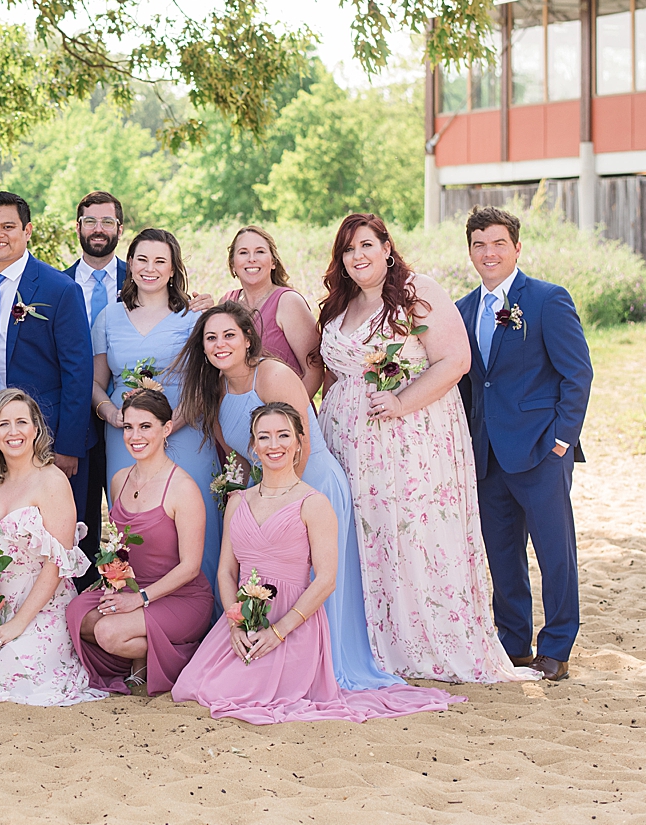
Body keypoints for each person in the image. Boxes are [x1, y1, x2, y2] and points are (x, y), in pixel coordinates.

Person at [316, 213, 532, 684]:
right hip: (345, 440)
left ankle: (420, 640)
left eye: (367, 245)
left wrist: (399, 401)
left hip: (410, 439)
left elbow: (455, 360)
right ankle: (365, 639)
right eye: (349, 249)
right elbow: (332, 373)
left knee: (410, 535)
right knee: (361, 536)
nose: (358, 256)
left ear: (387, 248)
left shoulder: (417, 291)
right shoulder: (340, 304)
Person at [171, 403, 459, 723]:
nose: (274, 445)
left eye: (283, 435)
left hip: (293, 625)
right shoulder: (238, 501)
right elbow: (226, 571)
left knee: (239, 696)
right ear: (253, 445)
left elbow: (326, 580)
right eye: (264, 437)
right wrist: (235, 621)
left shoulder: (313, 503)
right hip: (244, 621)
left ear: (298, 443)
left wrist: (278, 632)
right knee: (192, 687)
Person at [174, 301, 398, 691]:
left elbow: (303, 443)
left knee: (313, 579)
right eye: (211, 338)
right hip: (269, 491)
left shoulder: (272, 374)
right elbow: (241, 459)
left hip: (309, 486)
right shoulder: (217, 389)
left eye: (229, 335)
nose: (219, 344)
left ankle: (324, 664)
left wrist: (285, 501)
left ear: (247, 340)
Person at [457, 206, 593, 682]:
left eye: (498, 243)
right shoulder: (462, 310)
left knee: (555, 553)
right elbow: (470, 386)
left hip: (540, 450)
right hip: (487, 455)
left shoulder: (547, 300)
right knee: (502, 555)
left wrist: (561, 439)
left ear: (517, 247)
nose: (488, 252)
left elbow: (577, 373)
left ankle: (556, 645)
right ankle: (512, 642)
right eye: (479, 244)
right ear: (470, 251)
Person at [0, 389, 106, 706]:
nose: (13, 432)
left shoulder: (52, 481)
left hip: (43, 601)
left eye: (21, 422)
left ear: (36, 428)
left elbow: (56, 565)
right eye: (3, 424)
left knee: (11, 672)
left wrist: (19, 623)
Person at [0, 192, 94, 557]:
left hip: (44, 436)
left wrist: (67, 446)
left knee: (51, 543)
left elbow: (78, 372)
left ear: (27, 230)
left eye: (7, 226)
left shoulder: (58, 289)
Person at [90, 228, 222, 592]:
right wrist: (110, 413)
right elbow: (96, 382)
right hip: (124, 434)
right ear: (129, 264)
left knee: (199, 522)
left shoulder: (193, 317)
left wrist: (168, 426)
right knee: (134, 531)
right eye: (142, 259)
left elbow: (205, 385)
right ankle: (136, 608)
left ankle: (202, 621)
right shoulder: (108, 317)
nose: (150, 268)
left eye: (160, 261)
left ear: (173, 268)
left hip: (185, 429)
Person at [67, 389, 213, 696]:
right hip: (131, 588)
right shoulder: (120, 479)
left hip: (180, 596)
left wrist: (140, 598)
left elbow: (190, 567)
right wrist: (115, 584)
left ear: (166, 428)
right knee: (77, 614)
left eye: (146, 426)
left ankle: (183, 656)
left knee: (108, 633)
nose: (136, 435)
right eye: (129, 426)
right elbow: (123, 546)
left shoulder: (183, 489)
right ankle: (144, 654)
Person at [66, 190, 128, 582]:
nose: (99, 229)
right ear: (78, 227)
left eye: (107, 222)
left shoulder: (144, 277)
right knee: (80, 517)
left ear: (119, 229)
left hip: (127, 415)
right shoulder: (56, 284)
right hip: (75, 417)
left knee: (132, 515)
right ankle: (81, 599)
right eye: (91, 221)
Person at [219, 226, 323, 399]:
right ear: (233, 264)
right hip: (235, 412)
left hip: (284, 415)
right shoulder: (226, 303)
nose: (252, 259)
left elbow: (315, 371)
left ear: (273, 262)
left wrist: (289, 415)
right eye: (243, 253)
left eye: (260, 251)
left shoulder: (288, 302)